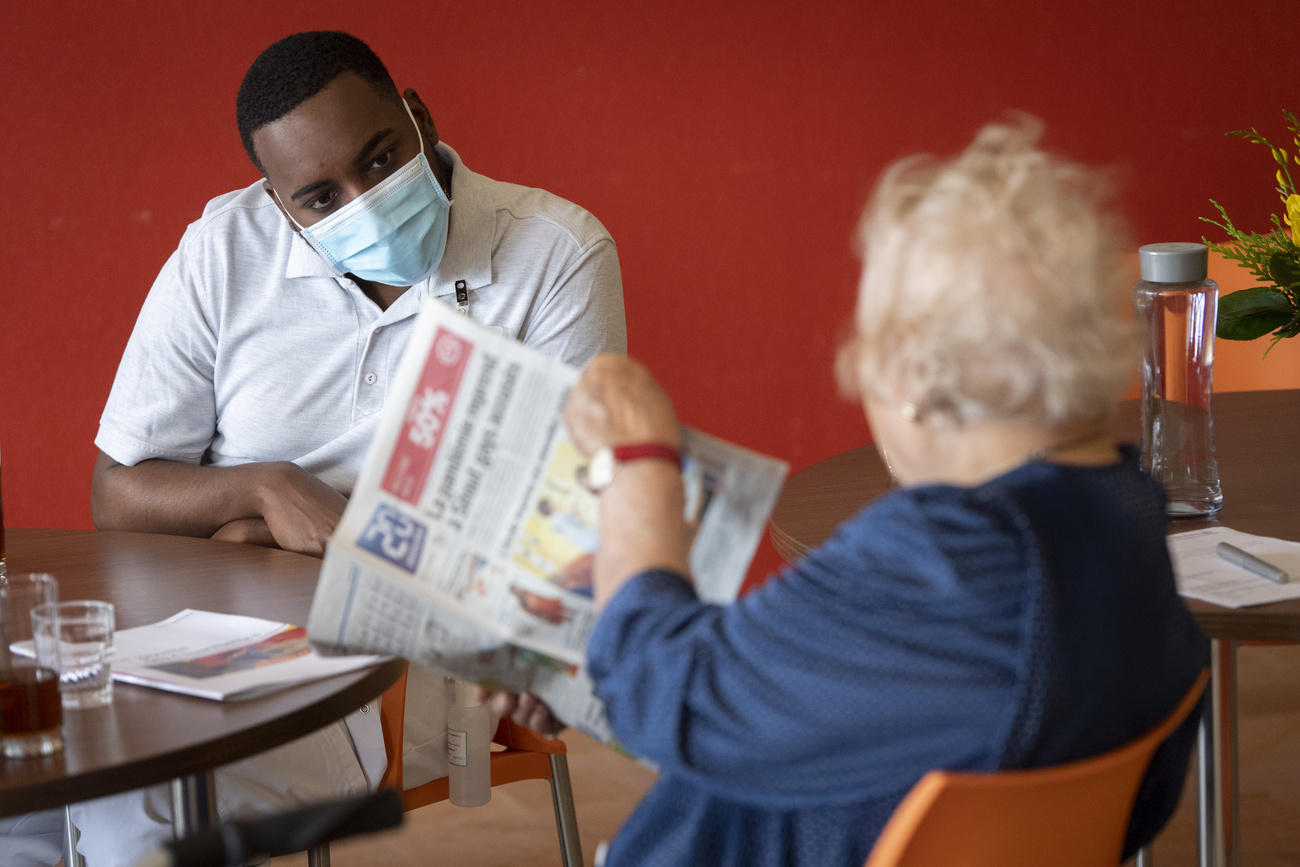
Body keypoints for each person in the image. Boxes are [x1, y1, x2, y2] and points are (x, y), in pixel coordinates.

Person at [7, 30, 623, 867]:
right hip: (193, 647)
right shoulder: (221, 251)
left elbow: (554, 534)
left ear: (418, 116)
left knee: (139, 818)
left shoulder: (554, 254)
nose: (364, 201)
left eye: (379, 160)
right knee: (26, 791)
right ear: (275, 201)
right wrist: (265, 492)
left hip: (403, 670)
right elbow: (117, 492)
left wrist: (282, 543)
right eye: (320, 198)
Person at [555, 118, 1209, 866]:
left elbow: (658, 693)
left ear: (908, 374)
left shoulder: (947, 557)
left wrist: (636, 459)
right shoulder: (1126, 519)